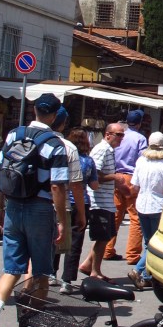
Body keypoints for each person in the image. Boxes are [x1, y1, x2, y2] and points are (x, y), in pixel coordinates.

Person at [0, 92, 69, 327]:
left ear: (35, 111)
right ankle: (31, 326)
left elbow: (0, 171)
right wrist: (61, 220)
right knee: (41, 271)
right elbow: (57, 186)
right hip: (40, 209)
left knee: (11, 269)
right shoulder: (55, 144)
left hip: (13, 206)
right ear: (55, 115)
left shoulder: (14, 135)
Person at [129, 131, 163, 290]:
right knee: (155, 244)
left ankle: (147, 275)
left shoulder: (141, 161)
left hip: (142, 204)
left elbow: (135, 186)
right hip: (157, 206)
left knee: (148, 241)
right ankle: (138, 270)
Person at [101, 109, 147, 268]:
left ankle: (107, 249)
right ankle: (133, 254)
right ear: (139, 123)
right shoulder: (140, 138)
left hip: (115, 176)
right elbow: (142, 160)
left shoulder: (119, 135)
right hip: (131, 177)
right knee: (135, 217)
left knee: (115, 215)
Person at [60, 128, 99, 293]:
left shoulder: (63, 158)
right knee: (75, 242)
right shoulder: (88, 161)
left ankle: (51, 273)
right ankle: (66, 280)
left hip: (61, 199)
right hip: (80, 201)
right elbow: (94, 185)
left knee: (57, 237)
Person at [48, 107, 85, 285]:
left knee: (42, 245)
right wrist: (82, 213)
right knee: (67, 241)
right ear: (63, 124)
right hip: (62, 204)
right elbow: (76, 184)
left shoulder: (33, 140)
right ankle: (66, 281)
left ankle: (47, 275)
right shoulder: (68, 147)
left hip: (34, 203)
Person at [84, 122, 124, 279]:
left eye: (122, 135)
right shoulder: (102, 149)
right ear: (108, 135)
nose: (121, 138)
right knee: (102, 237)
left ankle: (88, 265)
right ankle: (95, 271)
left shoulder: (109, 150)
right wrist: (115, 177)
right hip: (98, 200)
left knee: (106, 236)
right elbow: (95, 174)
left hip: (106, 200)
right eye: (118, 135)